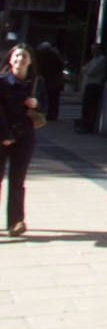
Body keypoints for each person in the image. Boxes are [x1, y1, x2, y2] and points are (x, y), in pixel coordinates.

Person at [0, 43, 47, 236]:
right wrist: (5, 136)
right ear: (10, 59)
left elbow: (46, 108)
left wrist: (36, 104)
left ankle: (16, 222)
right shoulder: (1, 82)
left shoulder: (36, 83)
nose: (20, 60)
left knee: (18, 181)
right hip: (2, 135)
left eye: (24, 56)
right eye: (17, 56)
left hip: (25, 136)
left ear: (30, 61)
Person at [77, 44, 107, 134]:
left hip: (95, 85)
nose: (93, 52)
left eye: (95, 50)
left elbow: (91, 71)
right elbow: (84, 69)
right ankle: (84, 125)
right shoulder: (94, 59)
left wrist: (87, 69)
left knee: (91, 107)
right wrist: (86, 69)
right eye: (92, 50)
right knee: (86, 107)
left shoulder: (102, 59)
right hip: (89, 84)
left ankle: (89, 126)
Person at [33, 42, 64, 121]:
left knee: (50, 98)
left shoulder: (47, 56)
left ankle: (50, 115)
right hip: (54, 81)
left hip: (51, 81)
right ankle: (52, 115)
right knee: (53, 99)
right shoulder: (54, 55)